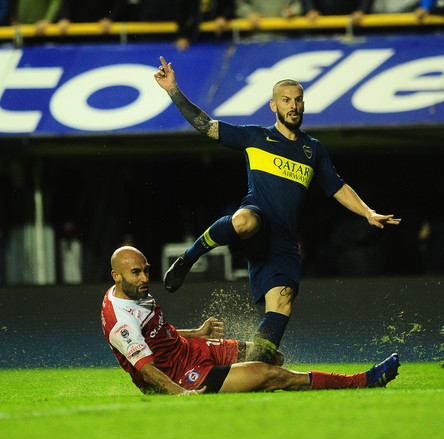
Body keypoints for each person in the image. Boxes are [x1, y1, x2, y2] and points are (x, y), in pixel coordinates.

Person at [153, 56, 401, 365]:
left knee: (282, 305)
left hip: (283, 241)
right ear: (274, 106)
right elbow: (206, 126)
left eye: (298, 100)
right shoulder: (256, 137)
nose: (293, 106)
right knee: (245, 219)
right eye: (286, 100)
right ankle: (188, 258)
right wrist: (173, 91)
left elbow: (337, 186)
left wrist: (367, 212)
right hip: (257, 223)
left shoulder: (314, 149)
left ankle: (259, 362)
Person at [102, 246, 400, 395]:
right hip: (183, 375)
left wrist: (197, 333)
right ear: (117, 276)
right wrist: (182, 395)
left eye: (145, 270)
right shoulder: (120, 321)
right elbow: (148, 369)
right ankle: (362, 381)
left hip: (192, 350)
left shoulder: (133, 292)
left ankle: (251, 384)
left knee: (273, 355)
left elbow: (155, 334)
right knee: (272, 373)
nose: (144, 278)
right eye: (136, 273)